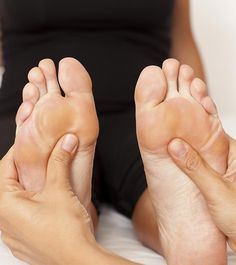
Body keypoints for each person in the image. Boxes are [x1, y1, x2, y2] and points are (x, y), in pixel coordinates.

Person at [0, 0, 211, 262]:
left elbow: (182, 38)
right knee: (41, 148)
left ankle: (177, 222)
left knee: (161, 169)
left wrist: (196, 114)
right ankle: (170, 218)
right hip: (39, 111)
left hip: (146, 113)